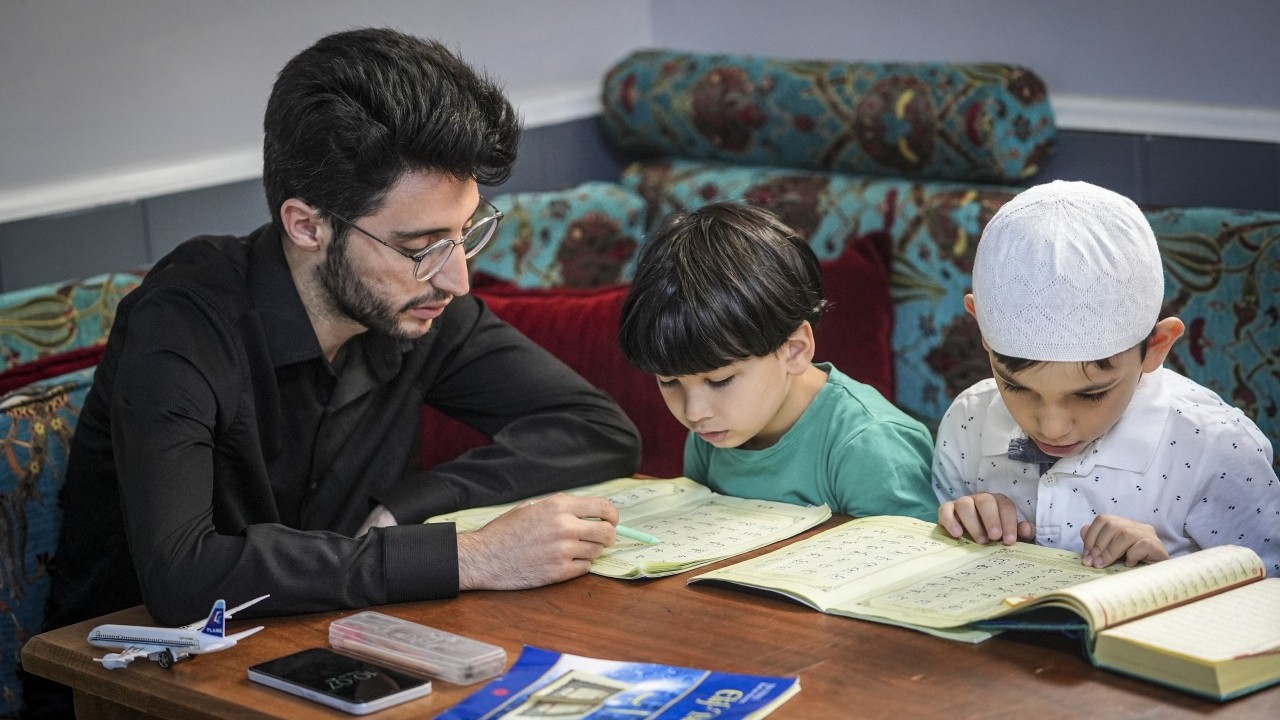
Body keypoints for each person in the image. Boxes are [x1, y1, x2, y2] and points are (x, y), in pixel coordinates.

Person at [42, 27, 642, 642]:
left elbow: (595, 429)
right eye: (421, 246)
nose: (457, 278)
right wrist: (468, 556)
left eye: (465, 232)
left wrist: (410, 506)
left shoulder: (417, 300)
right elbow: (182, 577)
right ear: (307, 227)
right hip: (135, 682)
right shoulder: (182, 323)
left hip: (333, 644)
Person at [933, 180, 1279, 575]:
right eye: (1015, 386)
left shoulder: (1215, 450)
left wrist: (1171, 577)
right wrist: (961, 531)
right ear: (982, 332)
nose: (1052, 426)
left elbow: (1270, 601)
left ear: (1156, 347)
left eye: (1090, 395)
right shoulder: (968, 422)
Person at [617, 202, 937, 520]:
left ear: (794, 351)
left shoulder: (869, 445)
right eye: (669, 382)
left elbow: (919, 564)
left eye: (720, 380)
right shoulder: (713, 432)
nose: (694, 412)